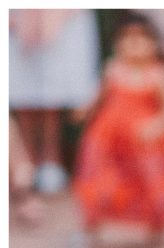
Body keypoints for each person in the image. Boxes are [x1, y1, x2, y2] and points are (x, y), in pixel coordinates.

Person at [72, 13, 164, 248]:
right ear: (117, 44)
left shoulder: (160, 75)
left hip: (145, 144)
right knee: (99, 183)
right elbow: (98, 98)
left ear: (154, 44)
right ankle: (90, 228)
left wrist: (159, 125)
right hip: (109, 143)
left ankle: (156, 227)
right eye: (126, 39)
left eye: (141, 39)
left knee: (149, 184)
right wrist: (84, 110)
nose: (134, 44)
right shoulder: (113, 70)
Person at [9, 9, 101, 194]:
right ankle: (25, 162)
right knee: (22, 91)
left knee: (53, 93)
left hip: (61, 16)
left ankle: (51, 160)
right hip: (17, 19)